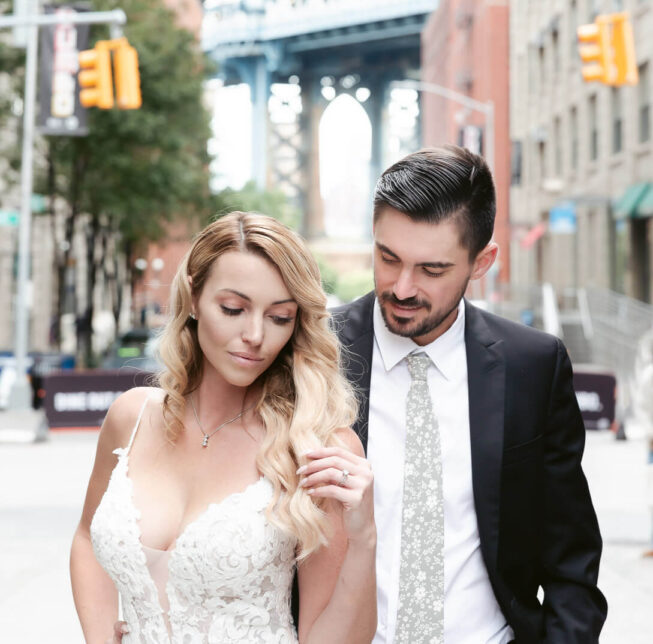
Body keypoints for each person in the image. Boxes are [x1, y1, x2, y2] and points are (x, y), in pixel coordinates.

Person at [333, 146, 607, 644]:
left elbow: (571, 557)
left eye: (432, 269)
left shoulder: (533, 366)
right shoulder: (314, 353)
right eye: (387, 257)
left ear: (482, 262)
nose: (401, 286)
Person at [70, 212, 376, 644]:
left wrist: (364, 539)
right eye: (233, 309)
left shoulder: (317, 448)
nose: (255, 335)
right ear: (194, 297)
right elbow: (87, 538)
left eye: (280, 317)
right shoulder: (131, 417)